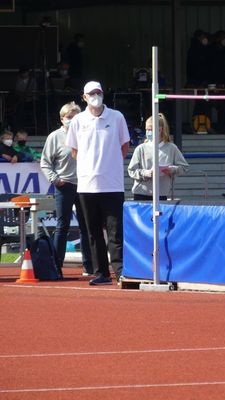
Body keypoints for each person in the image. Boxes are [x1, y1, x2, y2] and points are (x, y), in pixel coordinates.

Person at [67, 81, 130, 286]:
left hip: (112, 184)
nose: (95, 95)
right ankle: (101, 272)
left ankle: (120, 271)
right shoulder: (78, 120)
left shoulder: (117, 116)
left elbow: (124, 145)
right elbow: (74, 150)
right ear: (84, 97)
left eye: (98, 92)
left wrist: (108, 164)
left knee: (115, 231)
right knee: (93, 233)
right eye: (91, 93)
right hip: (86, 185)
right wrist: (90, 166)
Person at [40, 102, 93, 278]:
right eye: (68, 117)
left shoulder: (86, 134)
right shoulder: (54, 137)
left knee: (87, 227)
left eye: (74, 117)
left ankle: (89, 266)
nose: (71, 120)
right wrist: (55, 180)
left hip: (85, 185)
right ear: (62, 119)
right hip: (65, 185)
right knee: (62, 226)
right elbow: (45, 162)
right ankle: (56, 266)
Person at [128, 113, 189, 200]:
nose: (148, 132)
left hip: (161, 194)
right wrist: (146, 173)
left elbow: (184, 167)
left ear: (160, 130)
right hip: (141, 193)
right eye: (147, 129)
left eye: (150, 129)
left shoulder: (171, 148)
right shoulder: (140, 148)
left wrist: (172, 169)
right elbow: (131, 171)